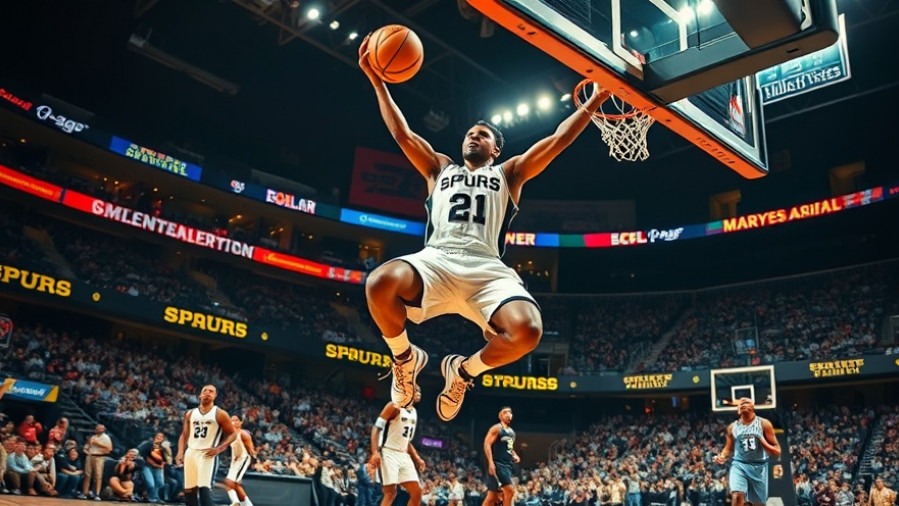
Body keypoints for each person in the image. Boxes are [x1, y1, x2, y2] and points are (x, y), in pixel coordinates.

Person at [357, 36, 611, 421]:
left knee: (528, 331)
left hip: (487, 269)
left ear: (495, 150)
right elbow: (402, 134)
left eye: (483, 135)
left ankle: (462, 372)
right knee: (378, 283)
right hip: (436, 260)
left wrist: (594, 101)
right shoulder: (439, 167)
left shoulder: (510, 173)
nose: (473, 137)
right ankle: (404, 359)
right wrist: (377, 81)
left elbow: (559, 140)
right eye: (470, 134)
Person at [176, 384, 237, 506]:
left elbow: (233, 434)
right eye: (205, 391)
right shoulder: (190, 414)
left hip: (207, 454)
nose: (207, 393)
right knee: (189, 491)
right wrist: (180, 452)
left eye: (211, 391)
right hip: (191, 453)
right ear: (200, 395)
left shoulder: (220, 414)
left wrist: (219, 449)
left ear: (215, 396)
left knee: (204, 490)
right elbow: (184, 435)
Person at [713, 398, 783, 506]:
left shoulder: (764, 424)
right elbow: (728, 448)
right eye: (741, 403)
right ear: (738, 410)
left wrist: (763, 441)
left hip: (759, 466)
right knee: (737, 495)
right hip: (739, 465)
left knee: (758, 503)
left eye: (747, 402)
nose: (744, 404)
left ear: (753, 407)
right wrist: (722, 456)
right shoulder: (732, 427)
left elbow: (777, 451)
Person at [367, 385, 426, 506]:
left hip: (403, 454)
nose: (418, 392)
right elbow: (376, 428)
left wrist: (417, 458)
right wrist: (375, 452)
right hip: (389, 452)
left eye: (420, 390)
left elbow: (406, 441)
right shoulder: (394, 405)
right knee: (390, 493)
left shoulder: (414, 412)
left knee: (417, 492)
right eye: (415, 390)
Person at [482, 406, 519, 506]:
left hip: (508, 465)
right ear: (500, 416)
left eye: (509, 412)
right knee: (510, 491)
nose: (508, 414)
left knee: (492, 497)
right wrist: (490, 463)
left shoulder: (512, 432)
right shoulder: (497, 428)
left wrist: (515, 455)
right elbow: (487, 444)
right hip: (498, 464)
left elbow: (509, 447)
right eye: (505, 412)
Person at [224, 415, 257, 506]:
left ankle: (236, 502)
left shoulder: (243, 434)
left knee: (229, 482)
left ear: (241, 422)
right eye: (232, 420)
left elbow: (251, 449)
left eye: (236, 420)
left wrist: (254, 462)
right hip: (235, 460)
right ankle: (248, 504)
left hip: (243, 459)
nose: (233, 422)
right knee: (235, 485)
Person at [78, 423, 113, 500]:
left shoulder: (106, 438)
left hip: (99, 457)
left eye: (100, 428)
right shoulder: (93, 437)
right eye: (97, 428)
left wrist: (97, 444)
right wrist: (86, 450)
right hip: (90, 456)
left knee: (98, 476)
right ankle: (85, 492)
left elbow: (109, 448)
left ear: (103, 429)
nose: (97, 429)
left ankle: (97, 493)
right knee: (87, 474)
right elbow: (87, 446)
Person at [139, 432, 168, 504]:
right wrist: (154, 464)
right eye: (158, 435)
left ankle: (152, 496)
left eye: (161, 436)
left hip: (158, 467)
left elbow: (165, 459)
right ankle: (153, 498)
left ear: (163, 439)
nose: (159, 437)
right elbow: (144, 455)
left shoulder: (163, 448)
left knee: (160, 483)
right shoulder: (148, 444)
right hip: (147, 466)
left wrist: (162, 465)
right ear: (154, 437)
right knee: (151, 483)